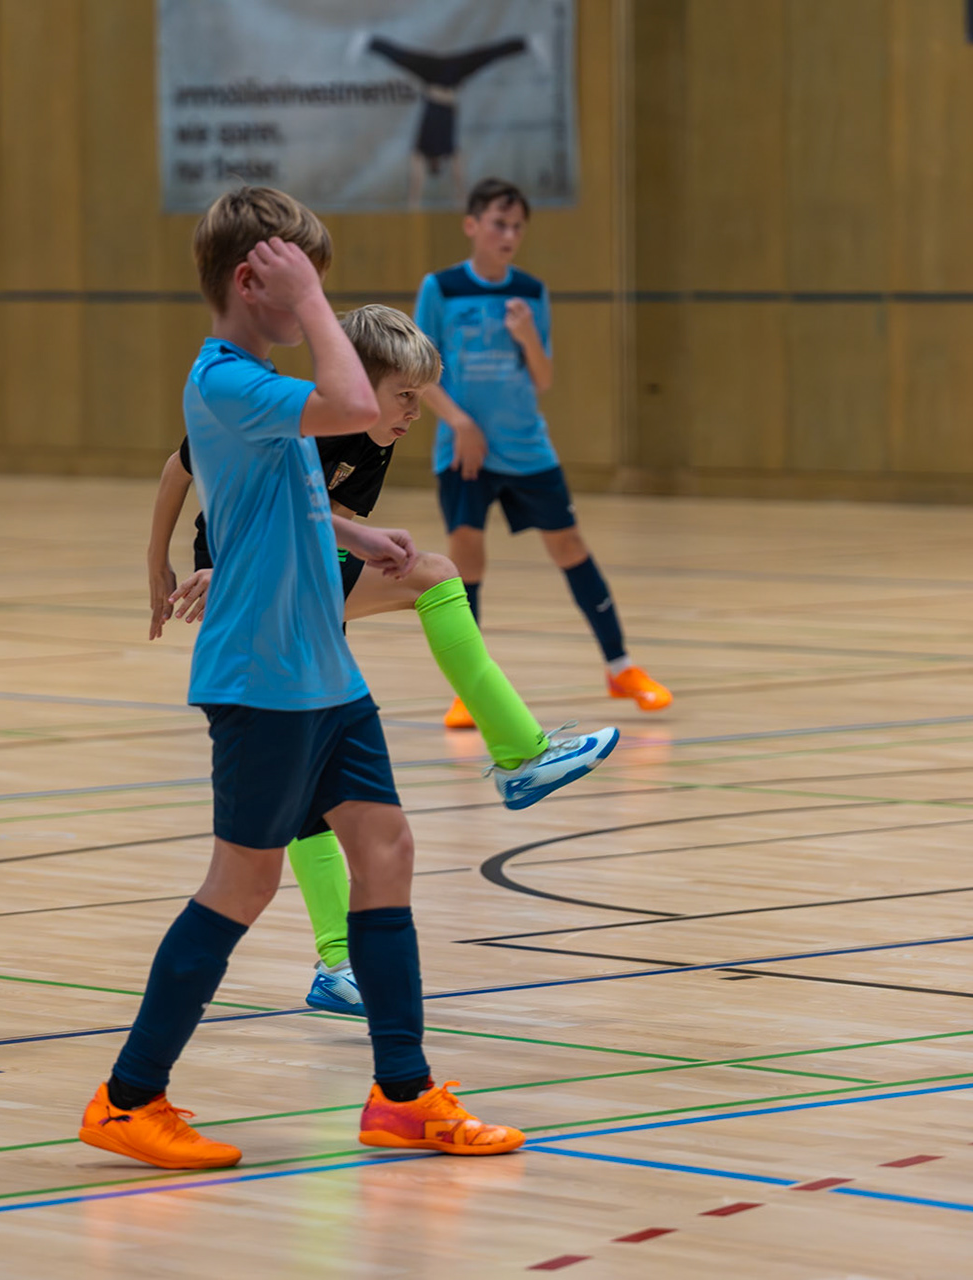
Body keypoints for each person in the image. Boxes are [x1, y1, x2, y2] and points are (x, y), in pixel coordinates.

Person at [79, 187, 524, 1171]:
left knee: (388, 848)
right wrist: (318, 305)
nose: (317, 298)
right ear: (254, 281)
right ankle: (127, 1098)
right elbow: (356, 404)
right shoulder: (226, 380)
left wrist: (359, 535)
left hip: (323, 669)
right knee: (243, 884)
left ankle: (402, 1093)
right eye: (304, 281)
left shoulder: (260, 384)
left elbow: (292, 493)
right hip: (261, 677)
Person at [145, 302, 619, 1017]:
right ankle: (519, 756)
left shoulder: (371, 439)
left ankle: (339, 962)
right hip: (247, 573)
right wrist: (164, 563)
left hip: (293, 569)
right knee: (432, 579)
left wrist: (351, 542)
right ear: (359, 381)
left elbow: (314, 511)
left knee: (309, 763)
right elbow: (183, 469)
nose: (415, 414)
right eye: (405, 396)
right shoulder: (284, 411)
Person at [416, 177, 670, 730]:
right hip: (464, 452)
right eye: (498, 224)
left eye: (517, 227)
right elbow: (418, 371)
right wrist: (460, 422)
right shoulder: (441, 289)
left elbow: (544, 377)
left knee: (570, 546)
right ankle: (470, 690)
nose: (508, 235)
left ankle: (621, 667)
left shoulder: (531, 291)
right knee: (466, 556)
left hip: (526, 447)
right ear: (472, 225)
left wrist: (528, 336)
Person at [355, 32, 543, 208]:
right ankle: (525, 43)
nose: (439, 165)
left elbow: (425, 172)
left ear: (435, 165)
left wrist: (415, 202)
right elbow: (453, 170)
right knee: (484, 56)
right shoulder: (443, 146)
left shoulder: (430, 146)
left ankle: (370, 42)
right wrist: (458, 198)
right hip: (446, 78)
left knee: (484, 56)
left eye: (437, 166)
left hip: (440, 77)